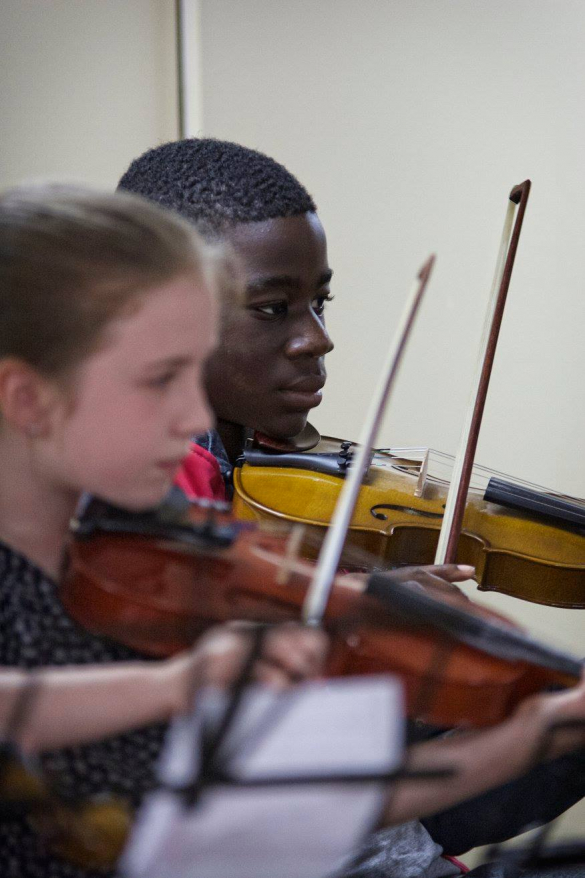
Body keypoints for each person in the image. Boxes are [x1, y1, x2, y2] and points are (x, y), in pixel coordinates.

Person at [118, 138, 585, 876]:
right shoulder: (144, 480)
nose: (316, 338)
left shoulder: (247, 460)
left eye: (318, 302)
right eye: (274, 309)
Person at [0, 183, 327, 876]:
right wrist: (178, 685)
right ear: (27, 397)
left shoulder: (112, 549)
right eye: (159, 377)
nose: (190, 418)